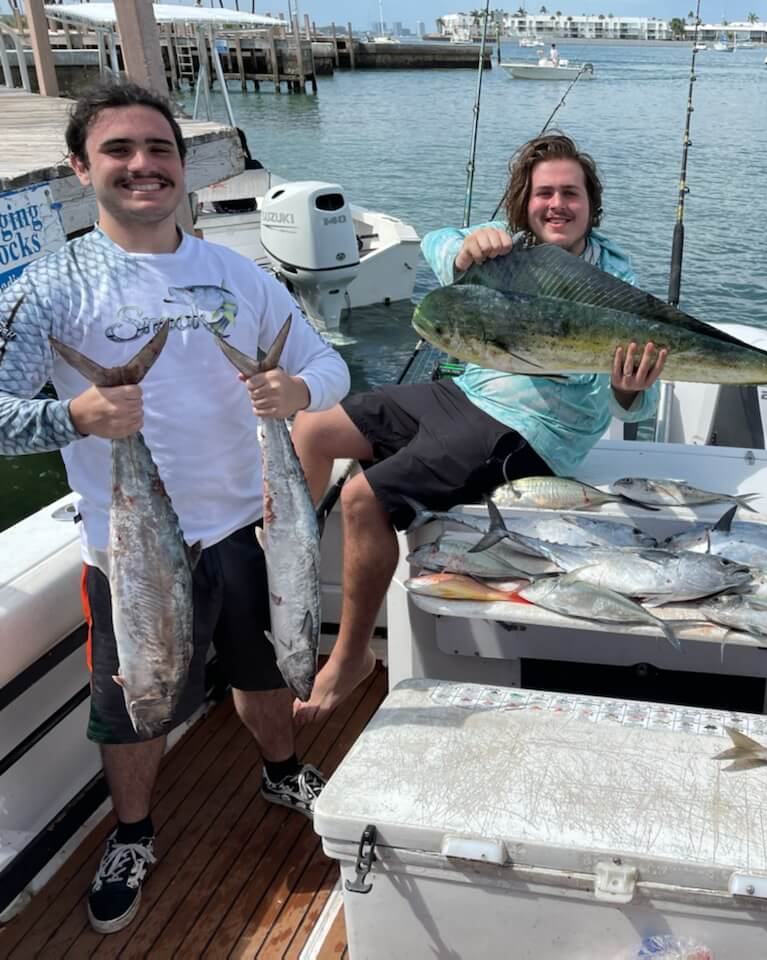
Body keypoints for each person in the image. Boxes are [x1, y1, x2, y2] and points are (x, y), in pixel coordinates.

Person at [0, 81, 350, 934]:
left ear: (183, 168)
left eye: (158, 149)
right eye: (118, 150)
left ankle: (280, 769)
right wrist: (71, 416)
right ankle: (132, 831)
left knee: (267, 669)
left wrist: (297, 385)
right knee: (133, 702)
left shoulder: (241, 274)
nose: (141, 165)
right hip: (128, 550)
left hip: (252, 528)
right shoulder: (50, 287)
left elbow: (329, 368)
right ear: (82, 169)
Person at [291, 132, 666, 726]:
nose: (557, 204)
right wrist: (468, 247)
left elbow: (628, 407)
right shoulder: (508, 253)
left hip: (533, 431)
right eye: (545, 193)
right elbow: (437, 247)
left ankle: (352, 655)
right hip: (465, 393)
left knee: (364, 497)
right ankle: (290, 572)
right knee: (310, 428)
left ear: (592, 205)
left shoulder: (614, 277)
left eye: (571, 193)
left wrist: (630, 385)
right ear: (525, 203)